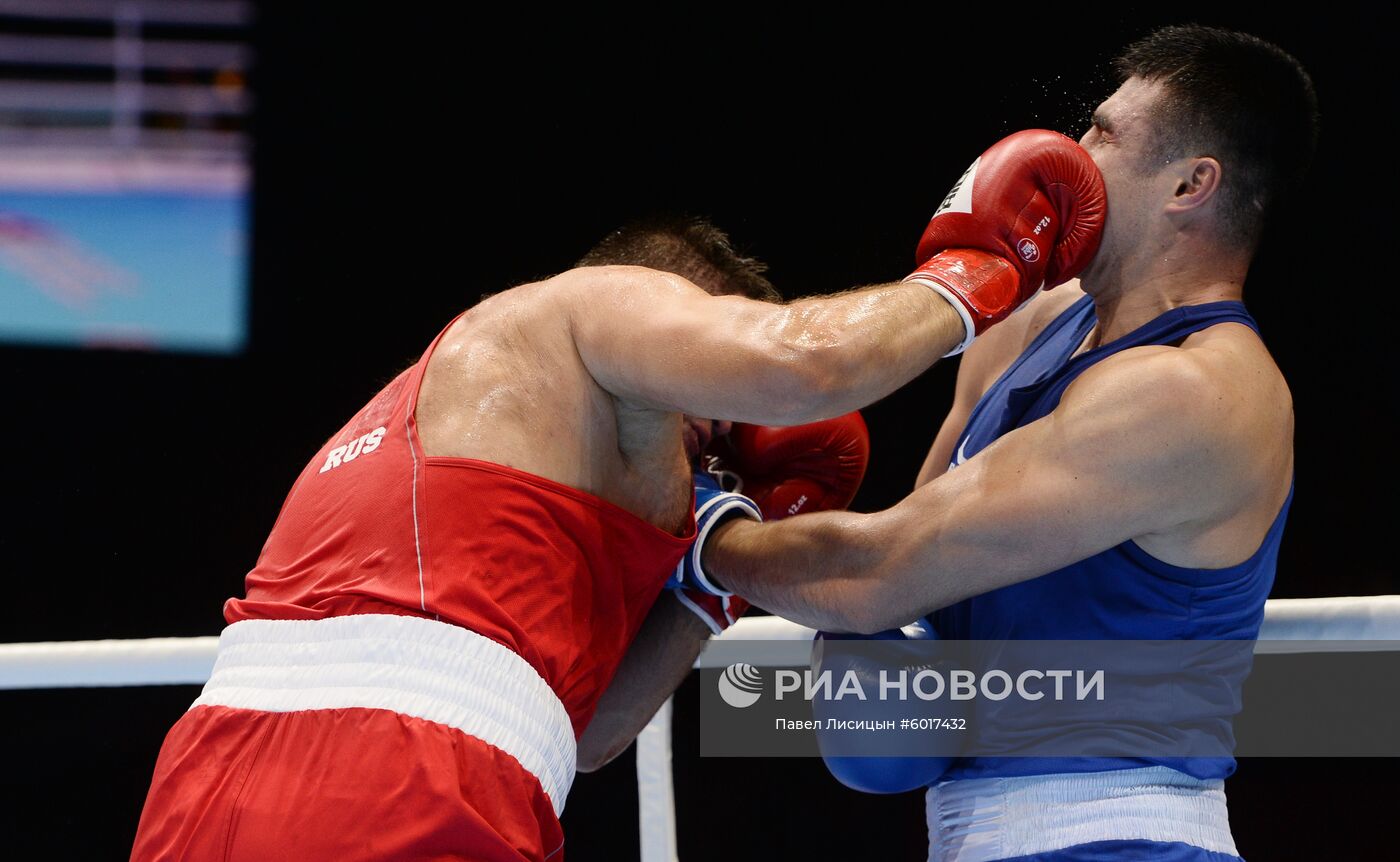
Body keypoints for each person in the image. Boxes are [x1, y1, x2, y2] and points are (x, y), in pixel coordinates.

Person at [129, 130, 1107, 862]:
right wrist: (975, 273)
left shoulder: (478, 449)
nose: (709, 452)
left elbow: (588, 734)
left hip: (209, 780)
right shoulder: (586, 308)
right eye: (712, 415)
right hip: (402, 780)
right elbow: (811, 365)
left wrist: (710, 580)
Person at [694, 25, 1318, 862]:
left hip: (1123, 840)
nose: (1074, 150)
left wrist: (701, 527)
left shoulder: (1196, 391)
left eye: (1105, 131)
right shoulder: (1030, 327)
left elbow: (877, 573)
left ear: (1189, 184)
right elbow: (913, 592)